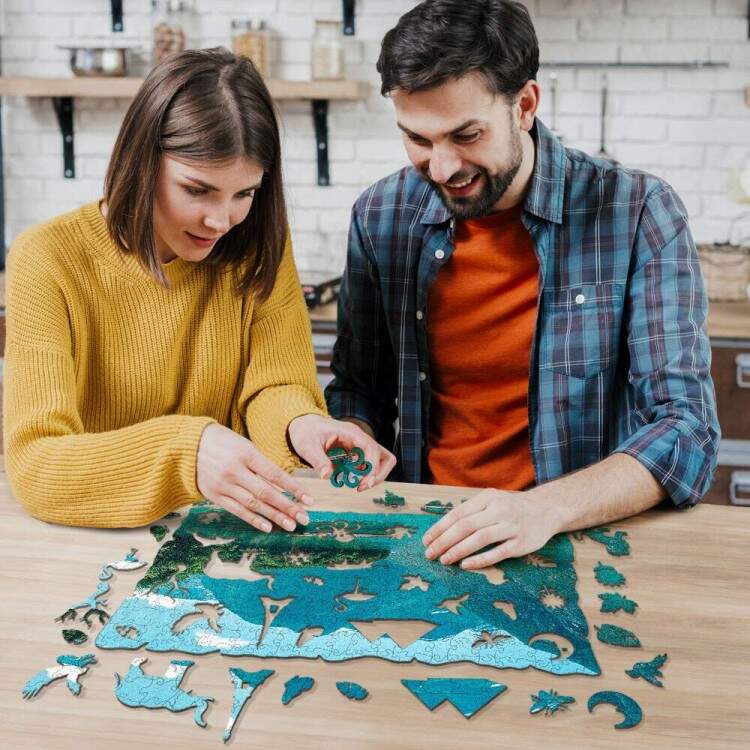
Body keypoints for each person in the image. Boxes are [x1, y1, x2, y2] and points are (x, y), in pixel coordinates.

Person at [326, 0, 719, 569]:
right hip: (425, 537)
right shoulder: (380, 214)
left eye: (466, 135)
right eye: (417, 138)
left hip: (573, 539)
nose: (441, 167)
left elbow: (686, 432)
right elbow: (358, 389)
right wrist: (351, 434)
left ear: (525, 105)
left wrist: (542, 510)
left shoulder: (637, 211)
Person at [4, 48, 395, 530]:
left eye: (244, 194)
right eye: (197, 189)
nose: (220, 221)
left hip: (216, 532)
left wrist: (303, 425)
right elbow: (37, 465)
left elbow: (275, 383)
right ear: (141, 163)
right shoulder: (46, 259)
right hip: (90, 540)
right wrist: (186, 452)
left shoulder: (254, 245)